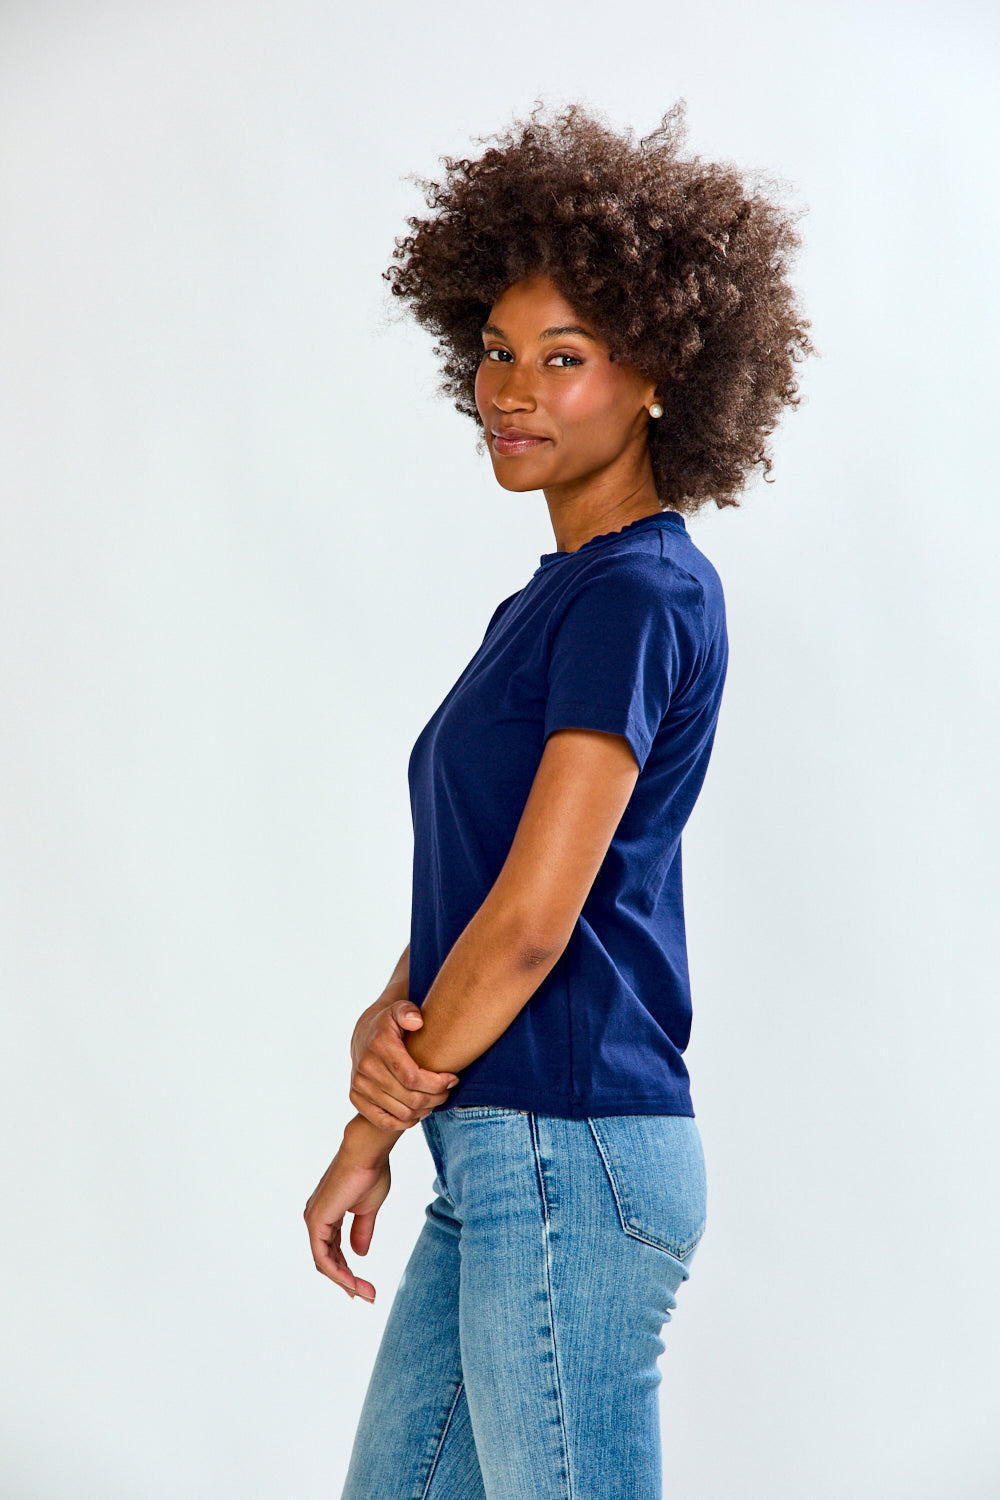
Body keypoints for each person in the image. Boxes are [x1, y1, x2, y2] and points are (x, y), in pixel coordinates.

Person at [304, 99, 815, 1500]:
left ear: (660, 375)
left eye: (565, 357)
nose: (511, 389)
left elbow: (535, 924)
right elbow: (495, 883)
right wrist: (395, 1013)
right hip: (504, 1152)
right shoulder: (564, 598)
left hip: (566, 1153)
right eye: (495, 350)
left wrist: (369, 1126)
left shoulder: (635, 595)